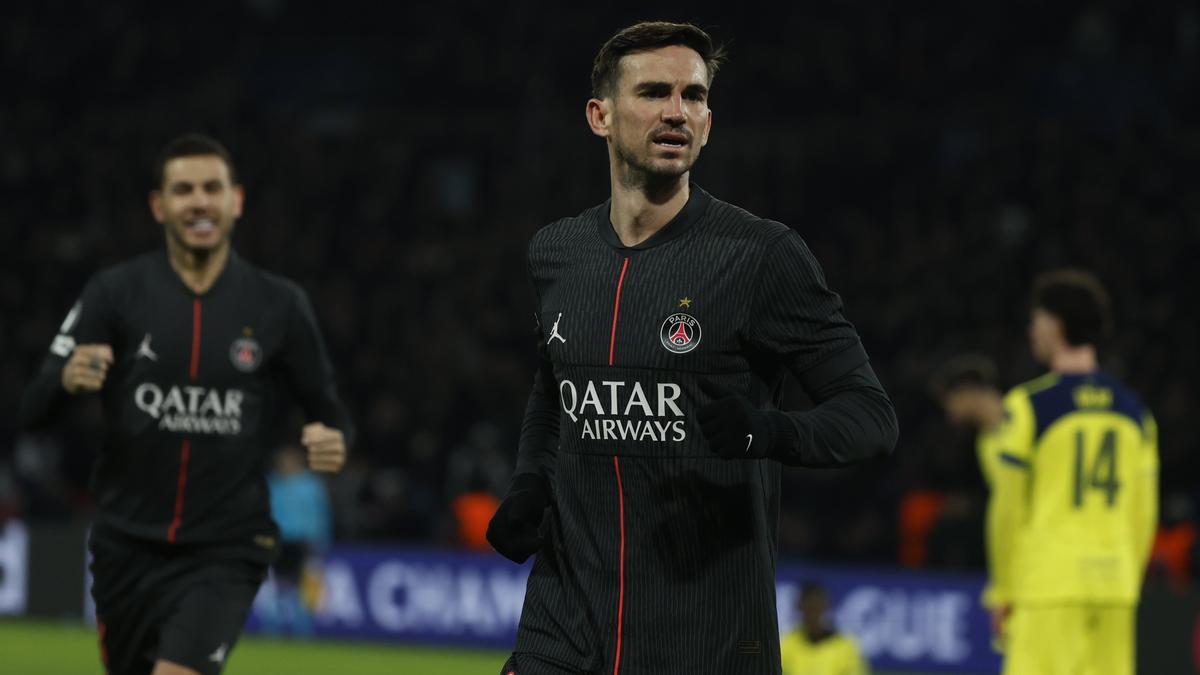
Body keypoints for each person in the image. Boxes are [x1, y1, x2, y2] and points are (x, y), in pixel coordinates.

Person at [486, 21, 898, 675]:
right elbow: (553, 387)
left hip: (704, 644)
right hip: (560, 634)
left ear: (708, 122)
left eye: (695, 96)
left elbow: (871, 417)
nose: (678, 111)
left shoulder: (762, 257)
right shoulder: (554, 253)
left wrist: (767, 430)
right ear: (600, 115)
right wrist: (530, 481)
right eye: (654, 92)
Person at [20, 133, 352, 675]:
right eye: (183, 189)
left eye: (212, 188)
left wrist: (334, 440)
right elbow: (33, 411)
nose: (199, 201)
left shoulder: (279, 306)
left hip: (225, 547)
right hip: (124, 548)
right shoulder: (113, 293)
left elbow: (327, 407)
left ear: (236, 200)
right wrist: (67, 381)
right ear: (159, 205)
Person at [987, 269, 1158, 675]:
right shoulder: (1135, 414)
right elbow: (1143, 513)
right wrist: (1126, 578)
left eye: (1037, 319)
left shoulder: (1028, 407)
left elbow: (1007, 509)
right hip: (1115, 585)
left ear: (1056, 324)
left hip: (1049, 586)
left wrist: (1003, 590)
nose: (1032, 329)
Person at [929, 355, 1013, 611]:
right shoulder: (985, 442)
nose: (948, 411)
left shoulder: (1022, 423)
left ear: (965, 394)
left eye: (948, 401)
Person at [263, 444, 333, 636]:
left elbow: (321, 513)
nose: (285, 463)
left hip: (303, 540)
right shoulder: (272, 484)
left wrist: (322, 538)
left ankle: (303, 627)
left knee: (303, 584)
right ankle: (273, 626)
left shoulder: (310, 485)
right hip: (278, 540)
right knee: (277, 584)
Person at [779, 582, 869, 675]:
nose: (813, 616)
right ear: (800, 609)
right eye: (809, 609)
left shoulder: (847, 646)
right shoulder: (785, 644)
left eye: (817, 609)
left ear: (826, 608)